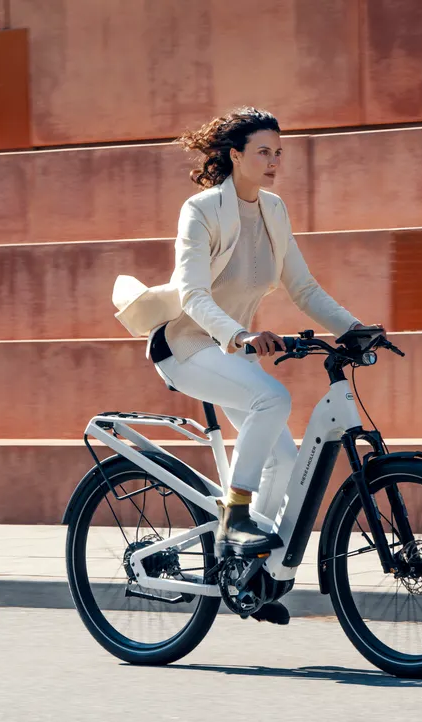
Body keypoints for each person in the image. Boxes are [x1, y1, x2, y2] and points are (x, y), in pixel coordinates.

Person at [145, 108, 375, 621]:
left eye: (278, 152)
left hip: (232, 353)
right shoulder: (201, 210)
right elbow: (193, 294)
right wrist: (242, 335)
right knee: (273, 397)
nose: (274, 161)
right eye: (263, 152)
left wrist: (353, 328)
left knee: (287, 466)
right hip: (190, 348)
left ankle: (249, 574)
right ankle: (236, 515)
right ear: (235, 156)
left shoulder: (273, 209)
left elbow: (304, 288)